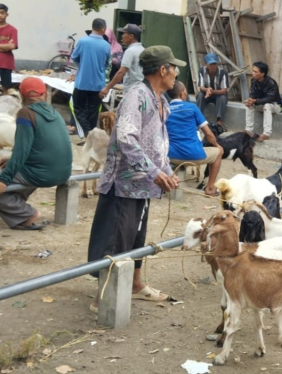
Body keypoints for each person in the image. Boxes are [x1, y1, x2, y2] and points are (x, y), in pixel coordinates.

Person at [87, 46, 186, 312]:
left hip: (145, 184)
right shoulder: (136, 96)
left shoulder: (161, 100)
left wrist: (165, 170)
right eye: (173, 67)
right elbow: (126, 139)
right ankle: (103, 296)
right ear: (162, 69)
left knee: (136, 236)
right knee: (116, 238)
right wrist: (155, 173)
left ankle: (135, 284)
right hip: (124, 184)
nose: (176, 73)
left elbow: (158, 143)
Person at [0, 78, 72, 230]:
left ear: (21, 94)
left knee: (2, 182)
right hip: (63, 171)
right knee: (12, 172)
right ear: (44, 95)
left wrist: (4, 179)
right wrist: (10, 160)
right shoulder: (54, 112)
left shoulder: (25, 113)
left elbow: (21, 150)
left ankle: (26, 215)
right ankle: (19, 212)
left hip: (41, 173)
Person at [166, 80, 224, 197]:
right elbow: (208, 133)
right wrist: (217, 145)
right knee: (219, 152)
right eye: (186, 92)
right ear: (182, 94)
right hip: (194, 156)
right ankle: (210, 188)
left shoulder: (164, 109)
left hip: (171, 156)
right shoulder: (192, 107)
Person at [70, 18, 111, 137]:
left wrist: (84, 63)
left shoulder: (82, 42)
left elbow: (75, 57)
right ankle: (91, 135)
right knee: (93, 111)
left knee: (78, 109)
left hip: (82, 82)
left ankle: (87, 132)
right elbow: (107, 64)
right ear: (103, 29)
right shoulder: (106, 45)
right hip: (98, 84)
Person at [100, 24, 144, 98]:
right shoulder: (142, 49)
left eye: (124, 33)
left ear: (131, 36)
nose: (122, 36)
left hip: (132, 90)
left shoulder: (130, 51)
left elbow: (121, 72)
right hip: (141, 89)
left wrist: (107, 88)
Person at [245, 61, 280, 142]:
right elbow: (253, 93)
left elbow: (270, 99)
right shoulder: (254, 81)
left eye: (255, 71)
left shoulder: (271, 83)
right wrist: (250, 99)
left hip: (275, 106)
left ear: (262, 73)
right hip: (261, 104)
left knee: (267, 105)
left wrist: (255, 100)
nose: (252, 73)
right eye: (253, 71)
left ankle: (266, 133)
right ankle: (248, 131)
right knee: (248, 103)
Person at [196, 53, 229, 133]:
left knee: (223, 97)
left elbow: (224, 90)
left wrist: (213, 91)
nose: (213, 66)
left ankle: (219, 121)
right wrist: (207, 90)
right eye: (211, 64)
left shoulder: (223, 72)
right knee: (200, 95)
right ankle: (197, 119)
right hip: (206, 94)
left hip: (217, 95)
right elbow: (201, 87)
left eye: (214, 64)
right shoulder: (202, 71)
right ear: (206, 64)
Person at [0, 4, 17, 93]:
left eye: (2, 13)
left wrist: (9, 46)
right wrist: (5, 47)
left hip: (6, 63)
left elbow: (12, 46)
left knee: (5, 88)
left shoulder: (12, 30)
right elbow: (8, 46)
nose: (0, 15)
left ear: (7, 14)